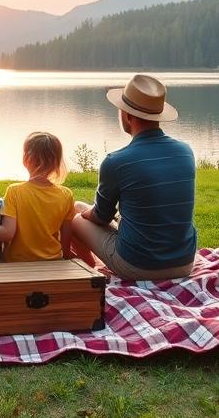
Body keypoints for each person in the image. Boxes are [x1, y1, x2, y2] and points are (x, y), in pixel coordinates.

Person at [70, 73, 197, 280]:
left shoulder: (116, 161)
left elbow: (100, 217)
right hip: (184, 263)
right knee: (79, 206)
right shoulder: (186, 151)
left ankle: (94, 273)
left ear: (127, 115)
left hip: (139, 267)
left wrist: (86, 214)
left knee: (75, 220)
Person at [0, 132, 75, 262]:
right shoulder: (66, 195)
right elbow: (66, 237)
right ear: (57, 162)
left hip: (16, 263)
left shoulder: (15, 192)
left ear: (26, 159)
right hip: (53, 261)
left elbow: (7, 232)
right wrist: (66, 259)